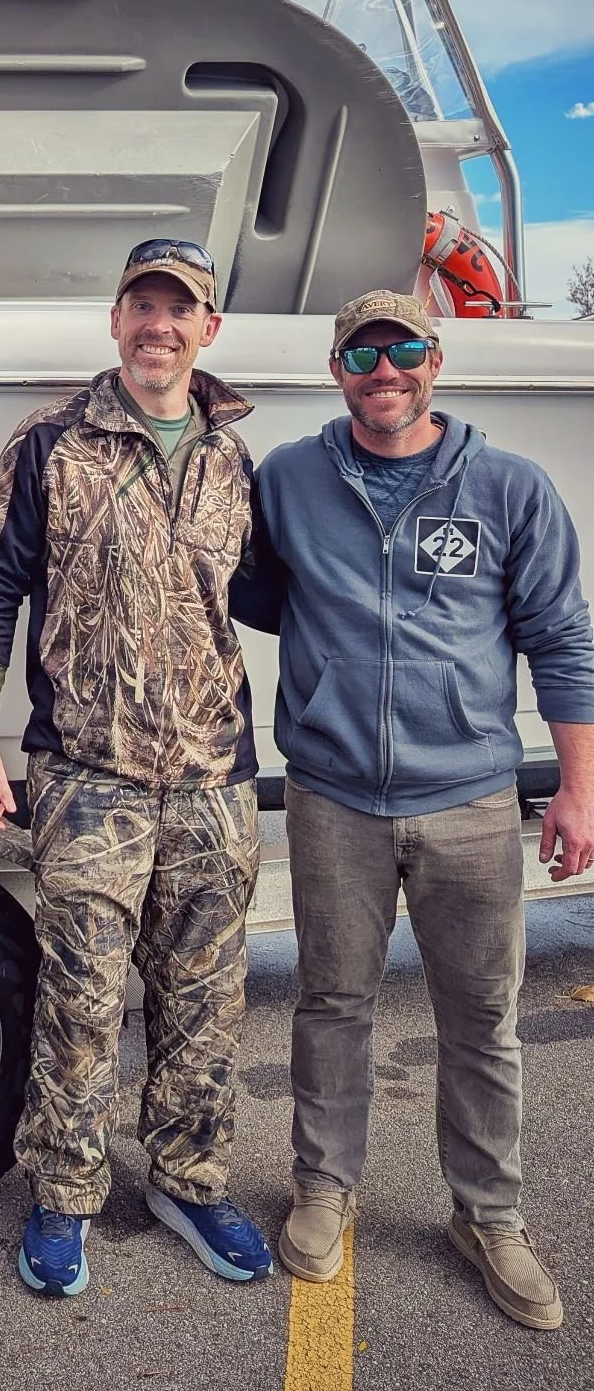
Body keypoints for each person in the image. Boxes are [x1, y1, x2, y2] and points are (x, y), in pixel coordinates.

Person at [239, 289, 594, 1330]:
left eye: (402, 350)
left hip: (473, 801)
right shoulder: (290, 481)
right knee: (332, 1002)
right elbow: (256, 593)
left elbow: (564, 644)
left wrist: (577, 785)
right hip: (333, 796)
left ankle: (489, 1217)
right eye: (361, 352)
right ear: (337, 367)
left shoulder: (509, 488)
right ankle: (322, 1188)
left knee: (482, 1020)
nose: (382, 369)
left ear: (435, 361)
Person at [0, 239, 273, 1297]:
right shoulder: (53, 443)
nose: (159, 325)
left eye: (180, 310)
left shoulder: (237, 458)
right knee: (81, 1000)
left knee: (205, 998)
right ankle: (64, 1197)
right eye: (143, 305)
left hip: (215, 777)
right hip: (88, 776)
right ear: (116, 319)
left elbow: (273, 598)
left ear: (209, 330)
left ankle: (187, 1179)